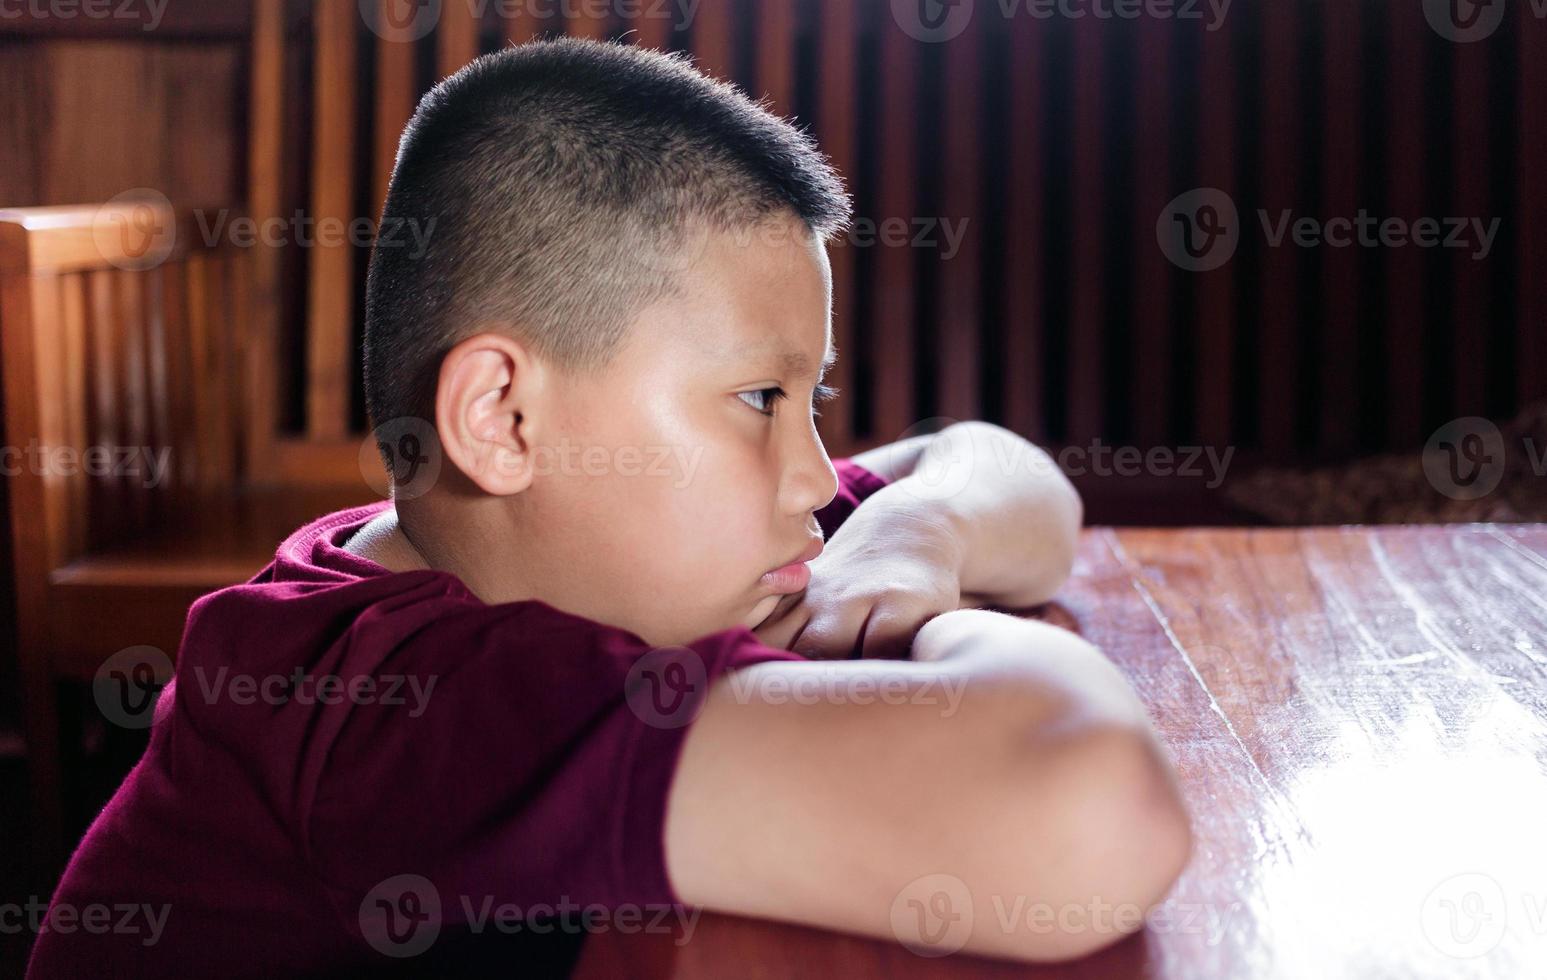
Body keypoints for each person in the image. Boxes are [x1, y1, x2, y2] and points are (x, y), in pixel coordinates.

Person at [28, 37, 1189, 977]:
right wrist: (921, 626)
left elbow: (1001, 469)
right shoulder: (396, 700)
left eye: (812, 399)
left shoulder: (521, 543)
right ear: (503, 418)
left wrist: (909, 539)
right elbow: (1090, 804)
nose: (810, 476)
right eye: (759, 398)